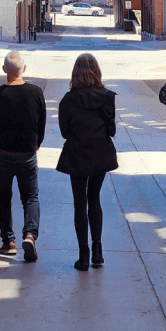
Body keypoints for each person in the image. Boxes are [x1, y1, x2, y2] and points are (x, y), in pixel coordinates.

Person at [0, 51, 47, 262]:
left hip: (1, 154)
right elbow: (41, 125)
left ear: (3, 70)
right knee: (30, 197)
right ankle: (30, 234)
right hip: (27, 154)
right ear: (24, 69)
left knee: (3, 198)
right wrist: (35, 145)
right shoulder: (36, 93)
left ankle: (8, 242)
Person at [57, 53, 118, 271]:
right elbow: (112, 129)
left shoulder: (68, 100)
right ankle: (98, 251)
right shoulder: (108, 96)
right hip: (101, 153)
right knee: (94, 198)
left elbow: (64, 132)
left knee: (79, 203)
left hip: (77, 154)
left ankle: (83, 255)